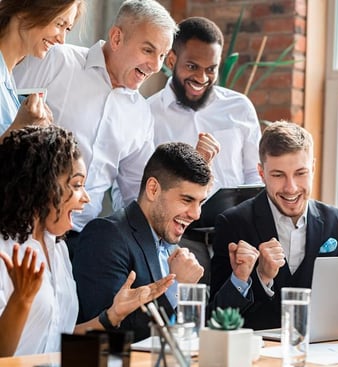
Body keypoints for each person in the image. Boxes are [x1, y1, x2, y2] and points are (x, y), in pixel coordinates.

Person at [13, 0, 178, 259]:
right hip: (22, 226)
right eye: (148, 50)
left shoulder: (141, 114)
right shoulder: (56, 60)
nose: (155, 66)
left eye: (161, 55)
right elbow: (6, 113)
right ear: (116, 37)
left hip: (84, 243)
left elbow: (135, 193)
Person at [0, 125, 174, 357]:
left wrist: (111, 316)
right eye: (76, 185)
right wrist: (20, 301)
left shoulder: (58, 247)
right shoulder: (4, 249)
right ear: (42, 185)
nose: (86, 198)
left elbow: (57, 343)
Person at [209, 120, 338, 330]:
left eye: (301, 173)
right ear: (262, 173)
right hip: (258, 353)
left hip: (323, 351)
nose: (291, 188)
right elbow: (217, 318)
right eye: (278, 175)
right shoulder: (233, 223)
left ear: (313, 168)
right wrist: (260, 276)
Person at [146, 17, 262, 283]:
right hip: (178, 245)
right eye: (192, 67)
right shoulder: (147, 114)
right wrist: (195, 165)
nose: (202, 77)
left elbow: (255, 176)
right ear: (172, 60)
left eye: (211, 69)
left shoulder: (240, 108)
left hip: (236, 244)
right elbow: (139, 189)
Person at [72, 142, 212, 342]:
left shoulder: (182, 247)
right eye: (187, 200)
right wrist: (176, 287)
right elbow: (109, 334)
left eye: (201, 203)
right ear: (153, 189)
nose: (196, 214)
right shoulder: (106, 236)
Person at [0, 0, 86, 143]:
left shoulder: (8, 81)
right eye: (59, 24)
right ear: (25, 11)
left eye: (67, 29)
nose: (62, 39)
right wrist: (20, 128)